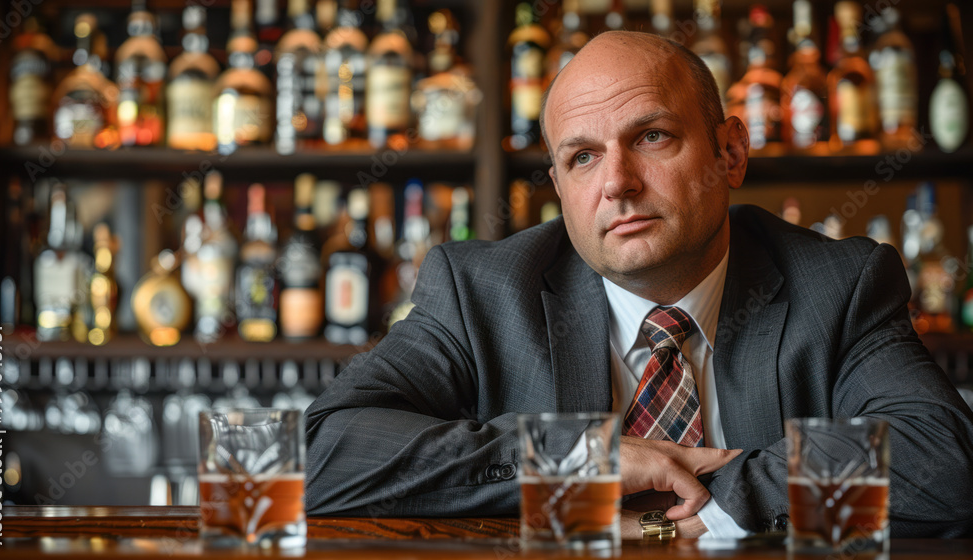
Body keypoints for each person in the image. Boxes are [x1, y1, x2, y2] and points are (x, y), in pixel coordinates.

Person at [305, 31, 973, 538]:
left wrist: (723, 492)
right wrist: (580, 462)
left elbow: (942, 465)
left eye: (651, 136)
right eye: (583, 157)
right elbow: (326, 452)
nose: (616, 183)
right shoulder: (482, 291)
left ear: (730, 153)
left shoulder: (839, 285)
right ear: (561, 187)